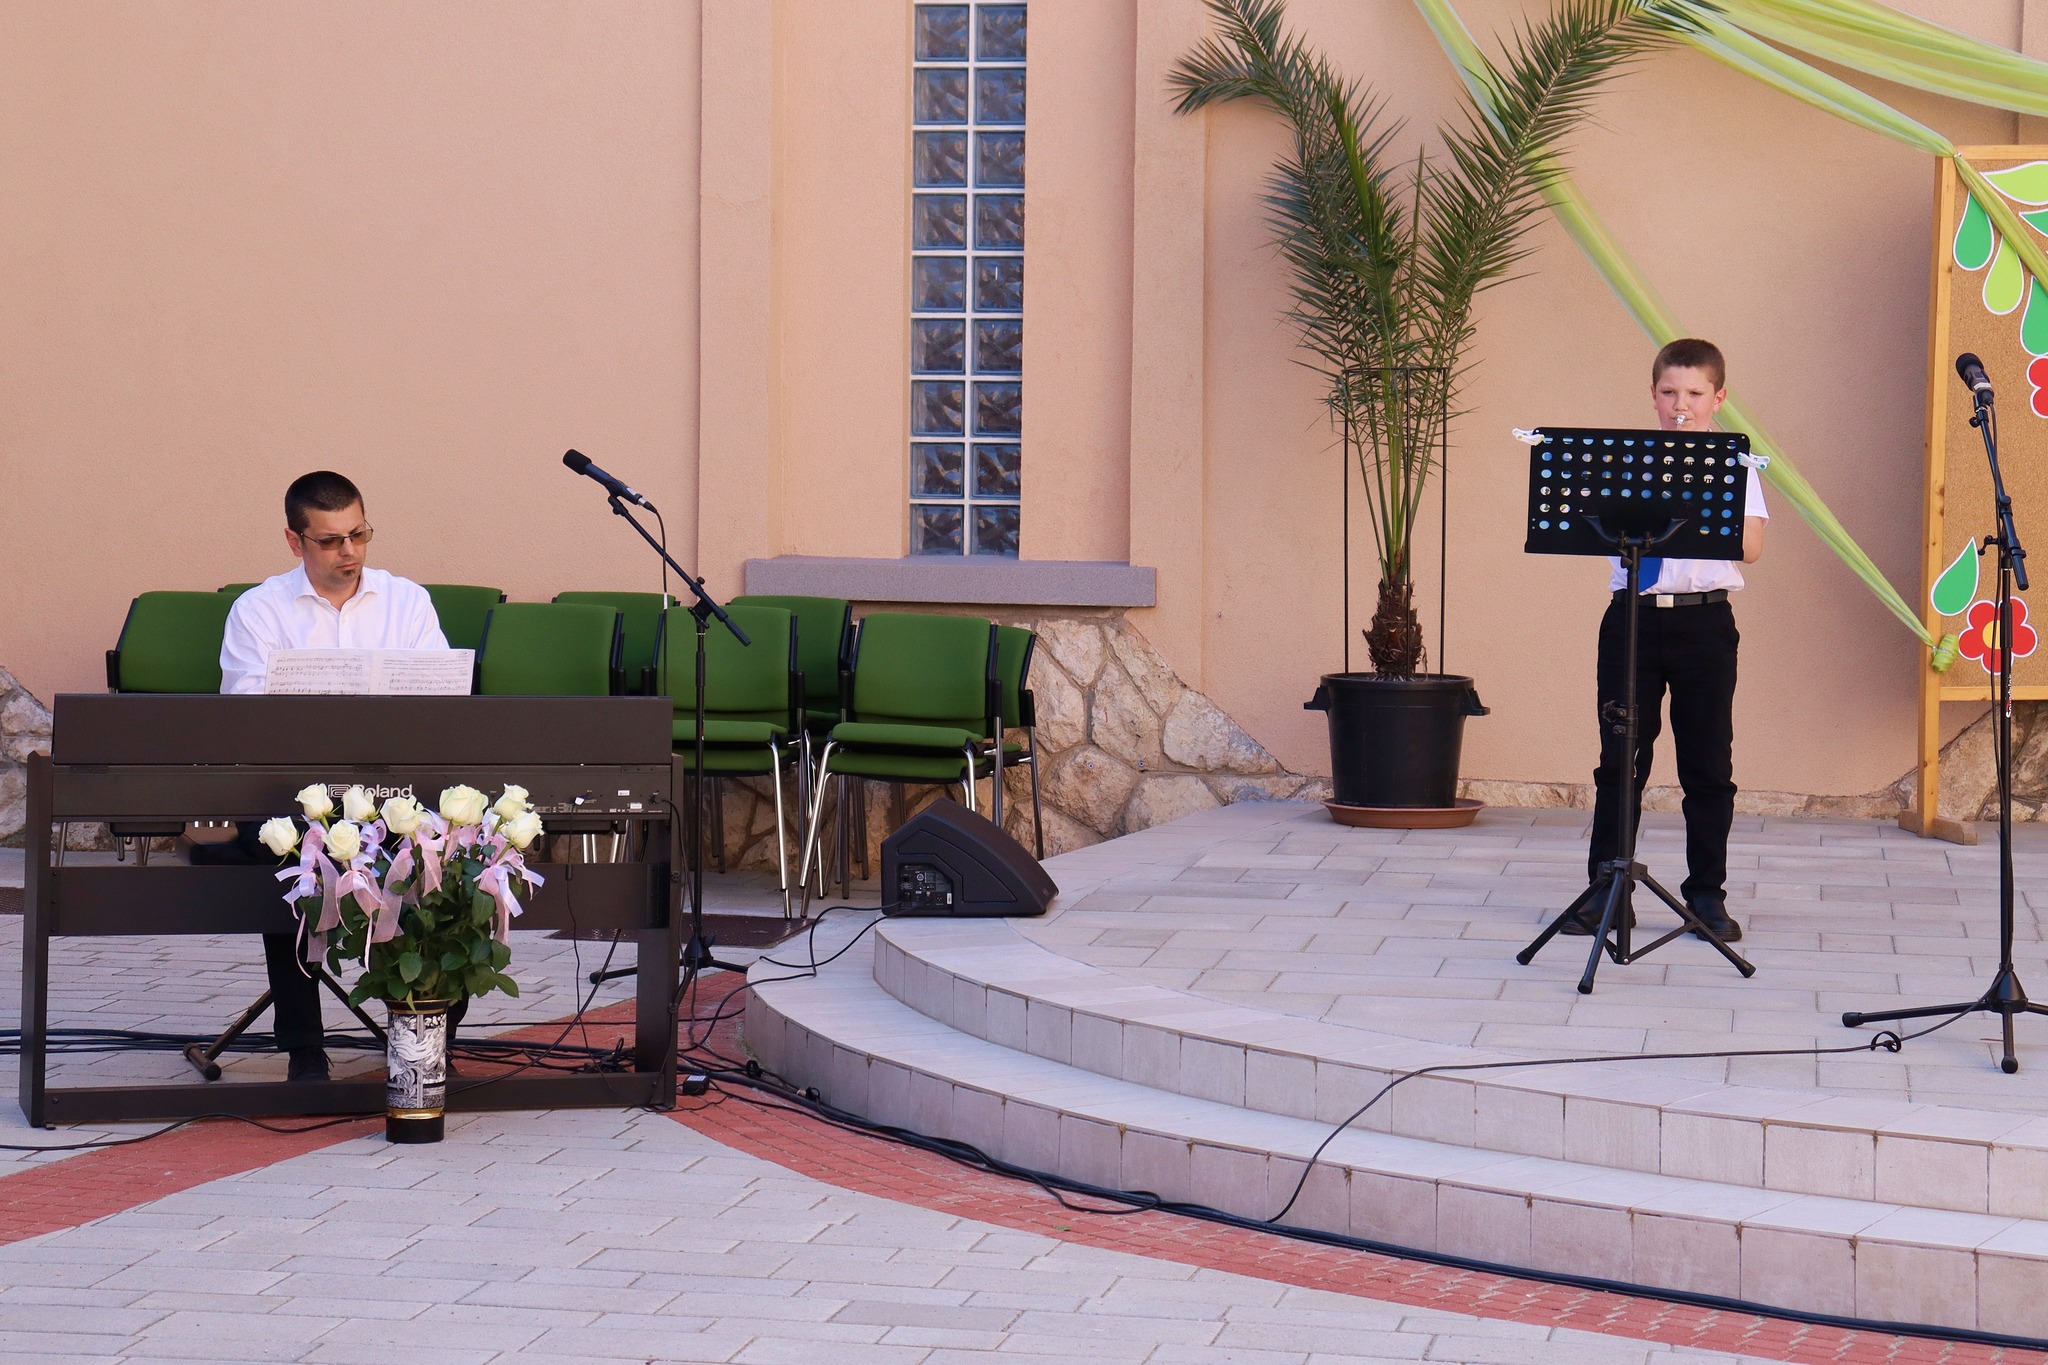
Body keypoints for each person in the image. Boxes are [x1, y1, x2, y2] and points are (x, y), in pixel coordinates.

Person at [218, 471, 450, 1082]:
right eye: (329, 541)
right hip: (293, 793)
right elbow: (245, 712)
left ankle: (423, 1029)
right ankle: (304, 1047)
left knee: (436, 854)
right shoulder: (258, 610)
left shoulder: (408, 602)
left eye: (359, 534)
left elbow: (441, 703)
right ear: (294, 541)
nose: (349, 552)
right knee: (291, 863)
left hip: (391, 789)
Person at [1572, 339, 1766, 943]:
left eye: (1695, 394)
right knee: (1620, 759)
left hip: (1703, 624)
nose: (1681, 405)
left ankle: (1706, 895)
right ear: (1653, 395)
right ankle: (1607, 892)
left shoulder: (1734, 467)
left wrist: (1695, 506)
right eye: (1669, 392)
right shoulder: (1624, 463)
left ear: (1718, 398)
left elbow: (1752, 548)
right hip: (1632, 619)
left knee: (1707, 763)